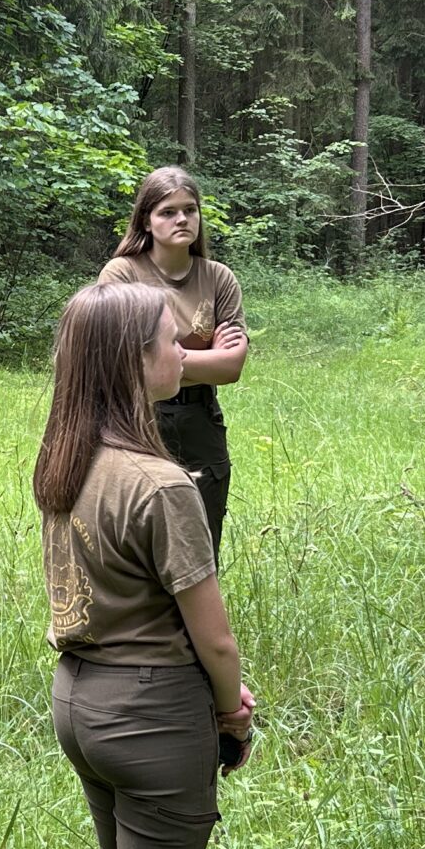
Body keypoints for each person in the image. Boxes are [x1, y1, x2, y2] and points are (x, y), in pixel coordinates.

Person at [36, 282, 255, 849]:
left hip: (79, 700)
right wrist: (232, 710)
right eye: (172, 342)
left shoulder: (67, 459)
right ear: (133, 361)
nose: (185, 355)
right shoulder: (161, 484)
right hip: (152, 713)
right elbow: (215, 638)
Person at [97, 167, 250, 561]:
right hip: (135, 419)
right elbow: (122, 361)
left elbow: (231, 367)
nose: (182, 219)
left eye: (190, 210)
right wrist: (205, 356)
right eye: (168, 212)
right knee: (139, 536)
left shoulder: (218, 278)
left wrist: (161, 353)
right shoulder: (123, 274)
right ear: (146, 220)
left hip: (200, 421)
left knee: (201, 539)